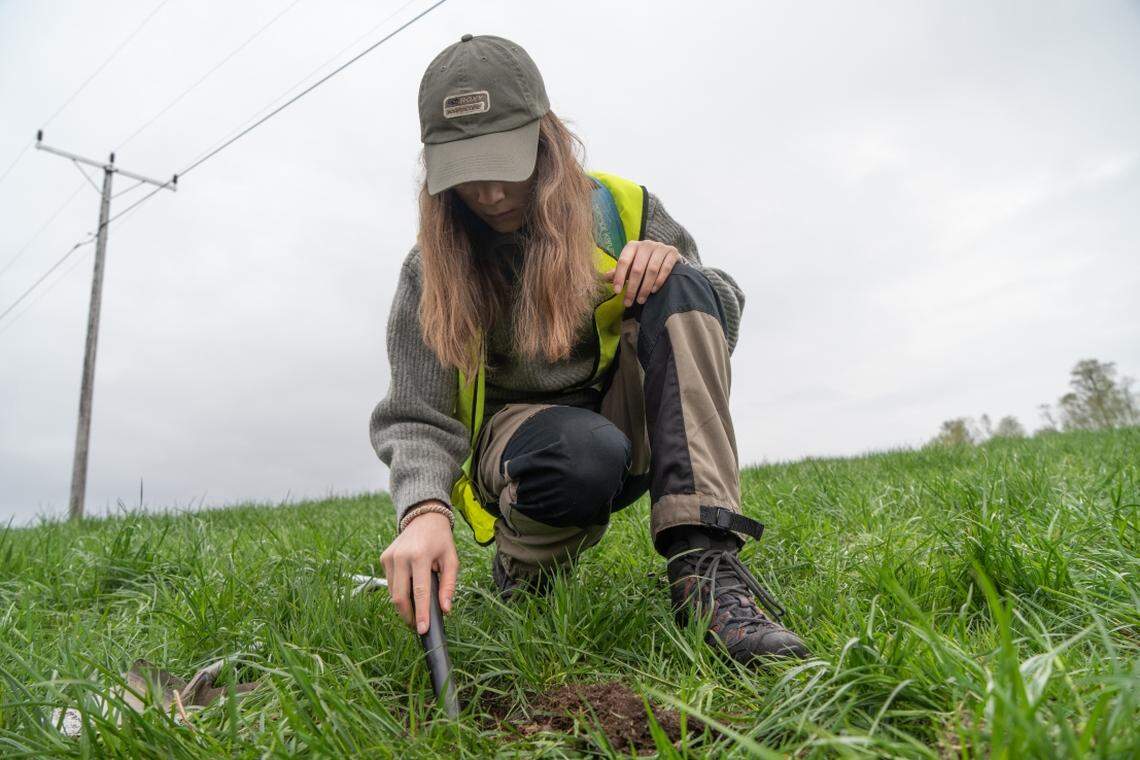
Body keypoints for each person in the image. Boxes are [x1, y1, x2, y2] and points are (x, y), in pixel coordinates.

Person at [371, 33, 808, 663]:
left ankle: (704, 570)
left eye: (504, 163)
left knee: (684, 281)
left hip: (640, 420)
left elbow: (717, 317)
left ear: (546, 140)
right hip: (531, 450)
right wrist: (424, 511)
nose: (490, 194)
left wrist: (672, 268)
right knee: (583, 449)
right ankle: (528, 572)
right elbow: (416, 414)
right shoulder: (429, 271)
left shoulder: (622, 209)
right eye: (468, 175)